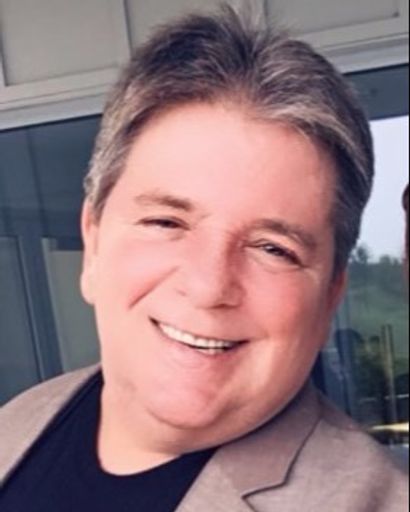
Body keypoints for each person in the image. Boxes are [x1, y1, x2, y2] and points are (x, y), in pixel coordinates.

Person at [0, 4, 407, 511]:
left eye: (273, 248)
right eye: (166, 223)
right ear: (94, 244)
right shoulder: (18, 423)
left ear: (329, 298)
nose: (209, 286)